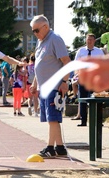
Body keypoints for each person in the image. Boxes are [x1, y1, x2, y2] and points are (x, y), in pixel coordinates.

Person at [29, 15, 71, 158]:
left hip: (55, 87)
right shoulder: (41, 42)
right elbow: (39, 65)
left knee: (52, 118)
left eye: (36, 30)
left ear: (45, 27)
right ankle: (59, 147)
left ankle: (50, 147)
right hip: (44, 87)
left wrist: (65, 82)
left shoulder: (55, 39)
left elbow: (66, 61)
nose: (35, 34)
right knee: (51, 118)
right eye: (33, 31)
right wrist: (35, 84)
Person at [74, 33, 104, 126]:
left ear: (94, 41)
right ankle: (83, 121)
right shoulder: (81, 51)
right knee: (83, 99)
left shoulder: (99, 52)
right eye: (87, 39)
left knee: (97, 99)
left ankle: (98, 121)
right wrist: (77, 76)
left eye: (91, 39)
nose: (89, 41)